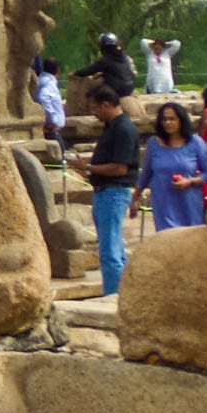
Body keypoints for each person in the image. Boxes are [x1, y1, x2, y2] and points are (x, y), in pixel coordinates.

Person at [71, 87, 139, 295]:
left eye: (94, 107)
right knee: (115, 248)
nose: (93, 112)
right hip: (104, 191)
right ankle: (124, 291)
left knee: (110, 252)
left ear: (105, 105)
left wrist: (89, 168)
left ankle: (114, 296)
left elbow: (121, 167)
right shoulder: (112, 127)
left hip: (114, 192)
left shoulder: (123, 130)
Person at [139, 102, 207, 231]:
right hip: (164, 203)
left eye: (172, 119)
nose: (167, 123)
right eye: (164, 119)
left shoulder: (195, 142)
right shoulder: (153, 144)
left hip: (189, 203)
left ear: (181, 120)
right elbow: (146, 173)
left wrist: (190, 182)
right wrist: (135, 198)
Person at [74, 33, 137, 99]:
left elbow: (89, 70)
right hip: (130, 86)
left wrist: (75, 73)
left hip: (119, 89)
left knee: (90, 94)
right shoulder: (124, 56)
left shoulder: (105, 59)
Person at [33, 58, 68, 157]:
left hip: (49, 127)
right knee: (60, 155)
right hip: (51, 128)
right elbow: (43, 97)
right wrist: (52, 119)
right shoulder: (49, 83)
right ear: (58, 70)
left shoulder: (42, 80)